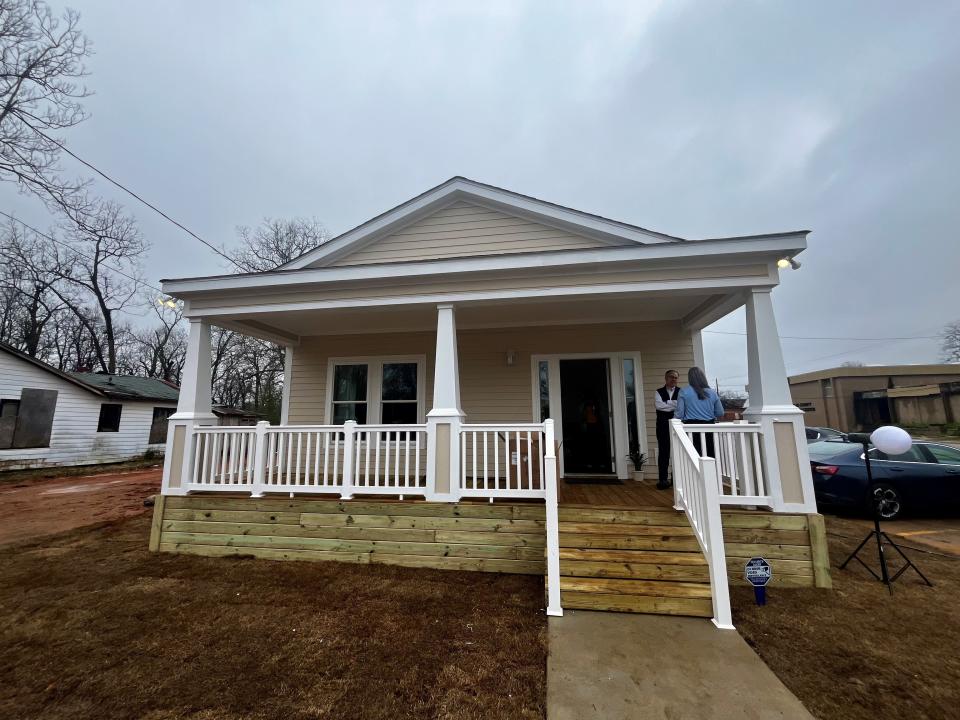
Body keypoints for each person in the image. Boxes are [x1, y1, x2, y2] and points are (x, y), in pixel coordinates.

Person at [676, 366, 725, 458]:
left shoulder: (684, 391)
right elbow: (720, 412)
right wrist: (708, 414)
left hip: (691, 428)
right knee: (710, 455)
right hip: (709, 427)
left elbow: (679, 413)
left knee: (694, 456)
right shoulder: (712, 392)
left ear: (690, 378)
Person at [654, 370, 680, 489]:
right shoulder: (658, 392)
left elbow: (681, 405)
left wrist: (667, 403)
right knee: (663, 453)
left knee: (677, 453)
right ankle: (663, 480)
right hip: (662, 426)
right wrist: (674, 404)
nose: (673, 379)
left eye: (675, 377)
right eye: (671, 377)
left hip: (677, 426)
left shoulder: (681, 392)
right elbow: (659, 406)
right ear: (666, 378)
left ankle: (676, 479)